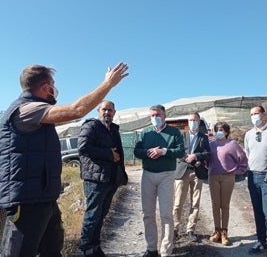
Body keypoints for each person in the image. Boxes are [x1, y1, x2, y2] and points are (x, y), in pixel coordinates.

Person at [0, 63, 128, 257]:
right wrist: (108, 84)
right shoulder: (26, 109)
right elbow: (77, 110)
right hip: (26, 201)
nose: (56, 89)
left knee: (52, 249)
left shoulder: (38, 113)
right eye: (53, 84)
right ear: (45, 87)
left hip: (44, 197)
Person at [134, 105, 185, 257]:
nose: (154, 118)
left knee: (166, 214)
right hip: (148, 175)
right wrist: (149, 152)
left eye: (157, 115)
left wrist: (163, 151)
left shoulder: (174, 132)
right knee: (148, 213)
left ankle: (166, 251)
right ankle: (151, 249)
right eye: (152, 115)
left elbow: (181, 151)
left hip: (166, 175)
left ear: (164, 116)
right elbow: (137, 151)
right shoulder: (145, 132)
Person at [78, 100, 127, 257]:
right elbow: (83, 147)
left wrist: (122, 174)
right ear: (98, 110)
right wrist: (108, 154)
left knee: (101, 216)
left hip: (110, 179)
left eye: (110, 110)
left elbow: (119, 154)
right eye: (104, 109)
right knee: (92, 216)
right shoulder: (91, 126)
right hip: (95, 180)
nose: (107, 112)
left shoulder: (113, 129)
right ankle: (85, 250)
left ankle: (95, 247)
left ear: (114, 112)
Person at [208, 122, 248, 246]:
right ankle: (217, 231)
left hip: (228, 178)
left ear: (226, 131)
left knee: (224, 205)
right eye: (216, 130)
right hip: (213, 177)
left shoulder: (233, 144)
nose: (218, 132)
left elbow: (243, 160)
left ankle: (224, 233)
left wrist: (236, 171)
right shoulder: (211, 145)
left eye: (221, 129)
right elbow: (206, 159)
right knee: (215, 204)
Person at [244, 105, 267, 256]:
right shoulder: (249, 134)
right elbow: (248, 153)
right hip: (252, 176)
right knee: (257, 211)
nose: (254, 116)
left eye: (256, 113)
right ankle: (261, 241)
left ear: (263, 114)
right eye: (251, 114)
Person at [173, 112, 211, 242]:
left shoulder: (203, 137)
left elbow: (208, 153)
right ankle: (175, 229)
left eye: (195, 120)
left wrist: (196, 157)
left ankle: (191, 229)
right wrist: (188, 158)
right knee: (178, 203)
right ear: (187, 122)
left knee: (195, 203)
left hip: (197, 173)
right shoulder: (180, 135)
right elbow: (176, 151)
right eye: (190, 120)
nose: (192, 122)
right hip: (182, 172)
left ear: (199, 122)